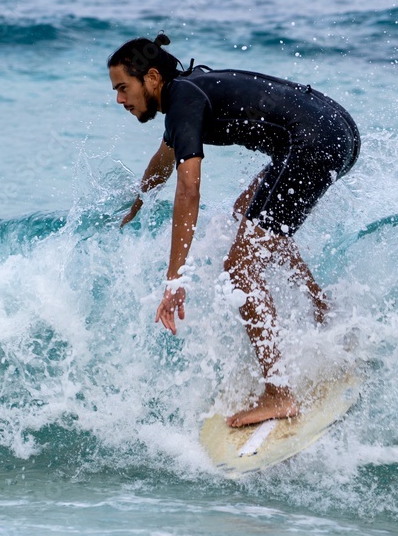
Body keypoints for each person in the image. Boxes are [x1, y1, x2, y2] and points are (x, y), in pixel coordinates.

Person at [109, 33, 360, 428]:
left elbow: (188, 188)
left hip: (312, 143)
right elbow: (165, 157)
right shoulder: (187, 93)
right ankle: (324, 310)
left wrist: (175, 279)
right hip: (338, 131)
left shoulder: (183, 102)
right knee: (251, 214)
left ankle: (279, 394)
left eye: (124, 88)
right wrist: (139, 199)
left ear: (152, 78)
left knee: (240, 267)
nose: (120, 100)